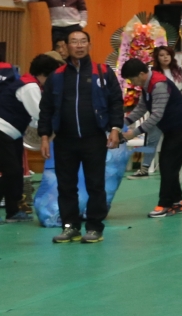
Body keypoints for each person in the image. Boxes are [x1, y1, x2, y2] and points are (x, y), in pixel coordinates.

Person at [38, 28, 122, 244]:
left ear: (90, 45)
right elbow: (46, 108)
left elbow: (115, 102)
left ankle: (94, 227)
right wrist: (45, 136)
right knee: (66, 185)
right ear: (66, 47)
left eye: (83, 41)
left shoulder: (102, 72)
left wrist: (115, 128)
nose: (79, 45)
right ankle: (70, 226)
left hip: (94, 138)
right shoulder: (56, 77)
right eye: (74, 42)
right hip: (64, 139)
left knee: (96, 184)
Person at [121, 57, 182, 218]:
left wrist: (132, 134)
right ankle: (178, 202)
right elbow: (141, 108)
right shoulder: (147, 85)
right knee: (169, 165)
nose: (132, 83)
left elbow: (156, 115)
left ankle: (165, 204)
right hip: (172, 129)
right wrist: (122, 122)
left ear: (141, 74)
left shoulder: (158, 85)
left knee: (168, 165)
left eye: (132, 79)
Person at [0, 55, 52, 222]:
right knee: (12, 172)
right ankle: (12, 212)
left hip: (12, 134)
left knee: (14, 173)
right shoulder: (30, 86)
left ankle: (13, 211)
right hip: (3, 131)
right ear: (45, 74)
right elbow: (39, 115)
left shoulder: (28, 83)